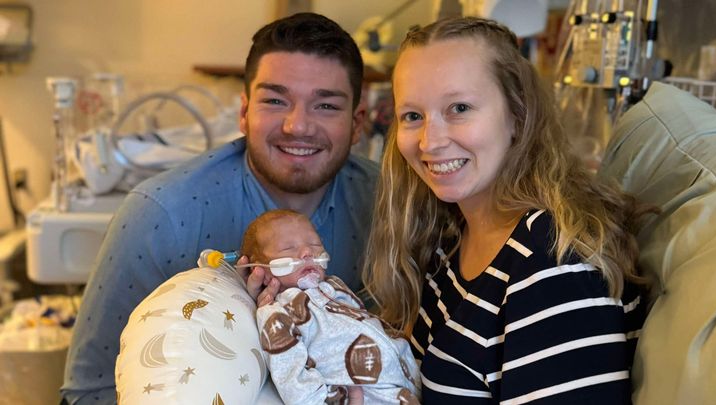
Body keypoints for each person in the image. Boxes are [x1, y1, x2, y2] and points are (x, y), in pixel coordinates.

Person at [61, 13, 379, 404]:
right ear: (244, 113)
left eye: (326, 105)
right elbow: (87, 392)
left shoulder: (389, 208)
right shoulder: (162, 215)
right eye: (275, 101)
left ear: (357, 122)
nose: (298, 126)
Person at [362, 17, 650, 404]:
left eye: (459, 108)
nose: (430, 142)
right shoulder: (453, 236)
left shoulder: (554, 264)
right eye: (413, 116)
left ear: (517, 114)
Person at [241, 209, 420, 404]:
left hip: (408, 381)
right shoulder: (277, 313)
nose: (307, 252)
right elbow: (292, 379)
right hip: (368, 396)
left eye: (314, 243)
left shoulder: (334, 286)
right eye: (288, 248)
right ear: (262, 271)